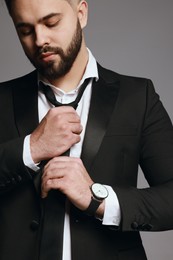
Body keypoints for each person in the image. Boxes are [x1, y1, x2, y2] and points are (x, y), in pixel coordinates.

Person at [0, 0, 173, 259]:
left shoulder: (138, 97)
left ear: (81, 13)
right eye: (25, 30)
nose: (39, 40)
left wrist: (98, 199)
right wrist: (30, 149)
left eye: (51, 22)